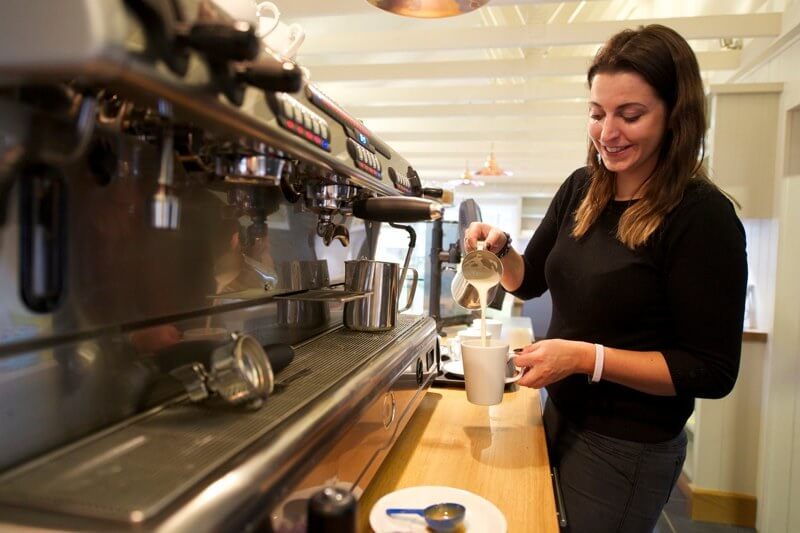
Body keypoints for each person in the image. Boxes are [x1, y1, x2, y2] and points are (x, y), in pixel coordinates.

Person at [464, 24, 747, 532]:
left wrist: (583, 357)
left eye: (630, 115)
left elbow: (711, 370)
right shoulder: (582, 188)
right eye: (598, 113)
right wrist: (501, 250)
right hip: (560, 414)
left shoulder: (701, 216)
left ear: (675, 117)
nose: (607, 133)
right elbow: (526, 283)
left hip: (629, 446)